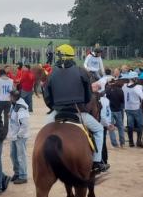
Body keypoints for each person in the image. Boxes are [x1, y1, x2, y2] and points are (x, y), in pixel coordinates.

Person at [43, 44, 107, 173]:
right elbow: (88, 95)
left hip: (57, 112)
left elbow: (47, 98)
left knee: (44, 132)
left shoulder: (51, 74)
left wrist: (55, 107)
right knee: (99, 129)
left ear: (60, 56)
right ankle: (97, 161)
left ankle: (44, 160)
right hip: (78, 112)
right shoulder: (81, 71)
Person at [8, 90, 30, 184]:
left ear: (13, 97)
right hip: (14, 135)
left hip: (19, 136)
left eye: (10, 97)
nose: (9, 98)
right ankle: (17, 173)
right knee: (13, 155)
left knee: (21, 156)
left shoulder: (21, 107)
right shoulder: (14, 105)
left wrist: (19, 135)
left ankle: (23, 176)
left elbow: (24, 124)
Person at [124, 73, 143, 147]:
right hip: (136, 108)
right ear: (134, 78)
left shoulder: (124, 86)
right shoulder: (137, 87)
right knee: (140, 125)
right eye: (136, 78)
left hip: (127, 108)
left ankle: (131, 142)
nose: (137, 79)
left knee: (130, 125)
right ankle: (139, 141)